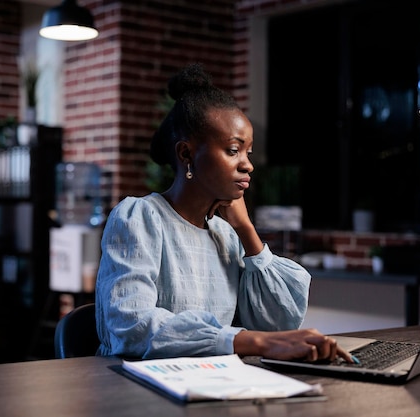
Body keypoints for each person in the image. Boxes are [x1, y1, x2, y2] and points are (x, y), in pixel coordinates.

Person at [95, 63, 353, 363]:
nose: (248, 165)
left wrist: (244, 228)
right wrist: (252, 341)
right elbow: (132, 326)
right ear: (186, 154)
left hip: (214, 383)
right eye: (233, 150)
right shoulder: (140, 217)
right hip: (136, 389)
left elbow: (277, 325)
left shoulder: (226, 236)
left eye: (249, 152)